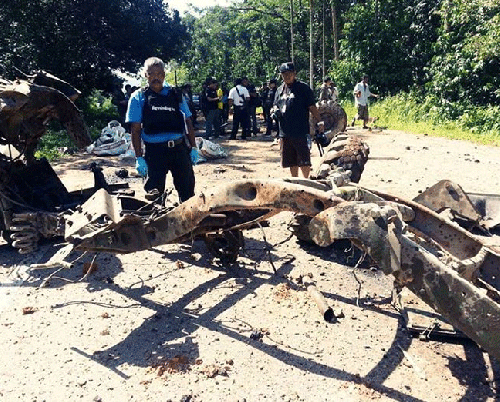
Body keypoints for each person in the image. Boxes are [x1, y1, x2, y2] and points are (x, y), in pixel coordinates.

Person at [126, 57, 198, 203]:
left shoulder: (176, 94)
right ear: (146, 75)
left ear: (164, 75)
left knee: (188, 193)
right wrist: (139, 157)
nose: (155, 77)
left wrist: (194, 147)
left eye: (159, 74)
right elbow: (135, 129)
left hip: (179, 149)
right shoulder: (138, 97)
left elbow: (188, 121)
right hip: (154, 152)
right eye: (151, 74)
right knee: (154, 196)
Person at [273, 62, 324, 178]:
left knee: (304, 160)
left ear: (294, 74)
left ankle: (306, 181)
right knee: (291, 161)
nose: (287, 76)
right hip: (285, 132)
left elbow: (312, 106)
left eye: (289, 73)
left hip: (300, 131)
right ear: (281, 75)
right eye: (284, 74)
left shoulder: (303, 88)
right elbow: (275, 105)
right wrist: (274, 111)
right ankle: (295, 181)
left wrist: (320, 122)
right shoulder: (280, 90)